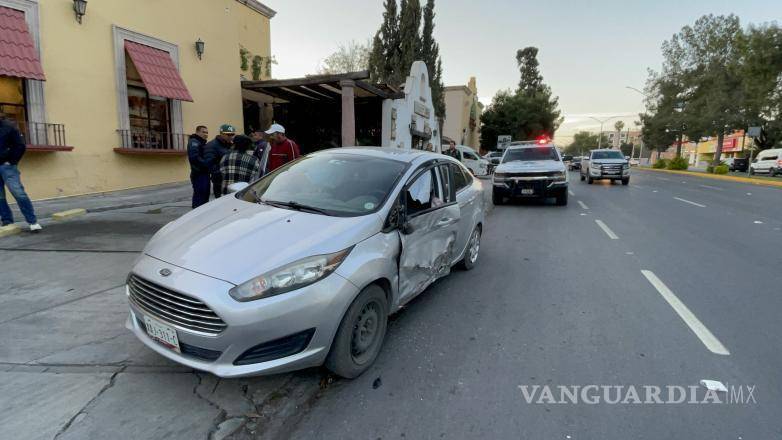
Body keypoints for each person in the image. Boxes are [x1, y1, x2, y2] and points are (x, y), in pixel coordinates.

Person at [0, 112, 42, 232]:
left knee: (18, 193)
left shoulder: (9, 127)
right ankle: (7, 221)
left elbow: (20, 146)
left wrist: (11, 161)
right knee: (0, 197)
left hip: (7, 166)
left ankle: (32, 222)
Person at [204, 124, 235, 198]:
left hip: (231, 178)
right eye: (228, 134)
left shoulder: (230, 145)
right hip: (219, 180)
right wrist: (222, 173)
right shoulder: (211, 145)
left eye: (232, 134)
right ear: (221, 134)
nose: (230, 136)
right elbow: (209, 164)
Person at [187, 125, 210, 208]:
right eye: (203, 132)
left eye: (207, 132)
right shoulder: (194, 142)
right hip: (199, 174)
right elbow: (194, 158)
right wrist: (207, 164)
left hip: (203, 173)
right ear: (197, 132)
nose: (206, 134)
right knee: (199, 198)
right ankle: (197, 216)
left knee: (204, 197)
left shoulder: (200, 142)